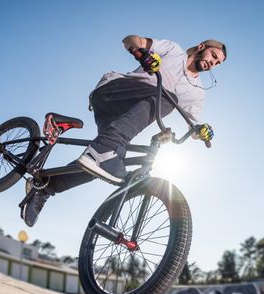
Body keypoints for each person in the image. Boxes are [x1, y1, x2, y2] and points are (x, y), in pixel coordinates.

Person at [21, 35, 227, 227]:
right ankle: (104, 148)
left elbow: (193, 126)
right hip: (113, 92)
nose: (213, 63)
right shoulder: (173, 51)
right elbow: (130, 39)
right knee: (166, 98)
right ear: (202, 47)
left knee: (102, 166)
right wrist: (142, 53)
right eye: (213, 56)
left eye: (218, 63)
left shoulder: (197, 92)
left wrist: (200, 131)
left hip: (124, 117)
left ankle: (44, 187)